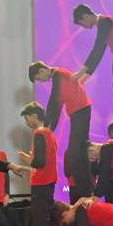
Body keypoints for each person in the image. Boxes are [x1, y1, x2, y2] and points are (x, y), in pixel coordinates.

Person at [29, 59, 92, 201]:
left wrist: (46, 126)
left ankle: (86, 193)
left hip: (80, 111)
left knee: (74, 154)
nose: (42, 81)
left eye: (39, 78)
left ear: (42, 70)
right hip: (80, 112)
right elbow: (58, 104)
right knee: (79, 152)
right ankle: (86, 192)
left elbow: (54, 101)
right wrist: (50, 128)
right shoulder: (59, 75)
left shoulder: (58, 74)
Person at [20, 102, 61, 226]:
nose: (27, 122)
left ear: (35, 116)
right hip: (49, 181)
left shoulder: (39, 133)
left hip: (41, 182)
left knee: (40, 224)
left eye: (27, 118)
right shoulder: (50, 133)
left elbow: (39, 162)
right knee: (48, 222)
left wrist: (27, 159)